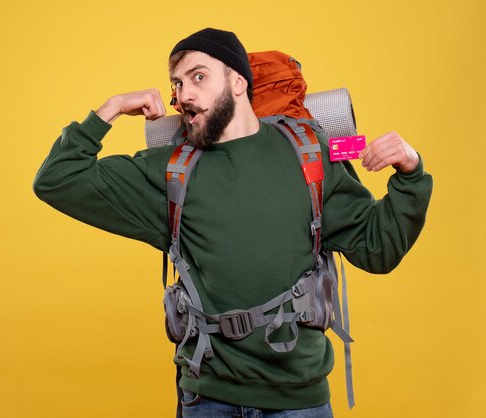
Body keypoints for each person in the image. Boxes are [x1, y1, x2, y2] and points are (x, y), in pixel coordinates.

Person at [33, 28, 433, 418]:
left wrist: (411, 175)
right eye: (176, 84)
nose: (183, 94)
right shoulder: (169, 172)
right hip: (207, 398)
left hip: (300, 400)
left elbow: (379, 249)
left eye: (199, 77)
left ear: (238, 81)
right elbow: (56, 180)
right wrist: (112, 108)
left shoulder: (309, 152)